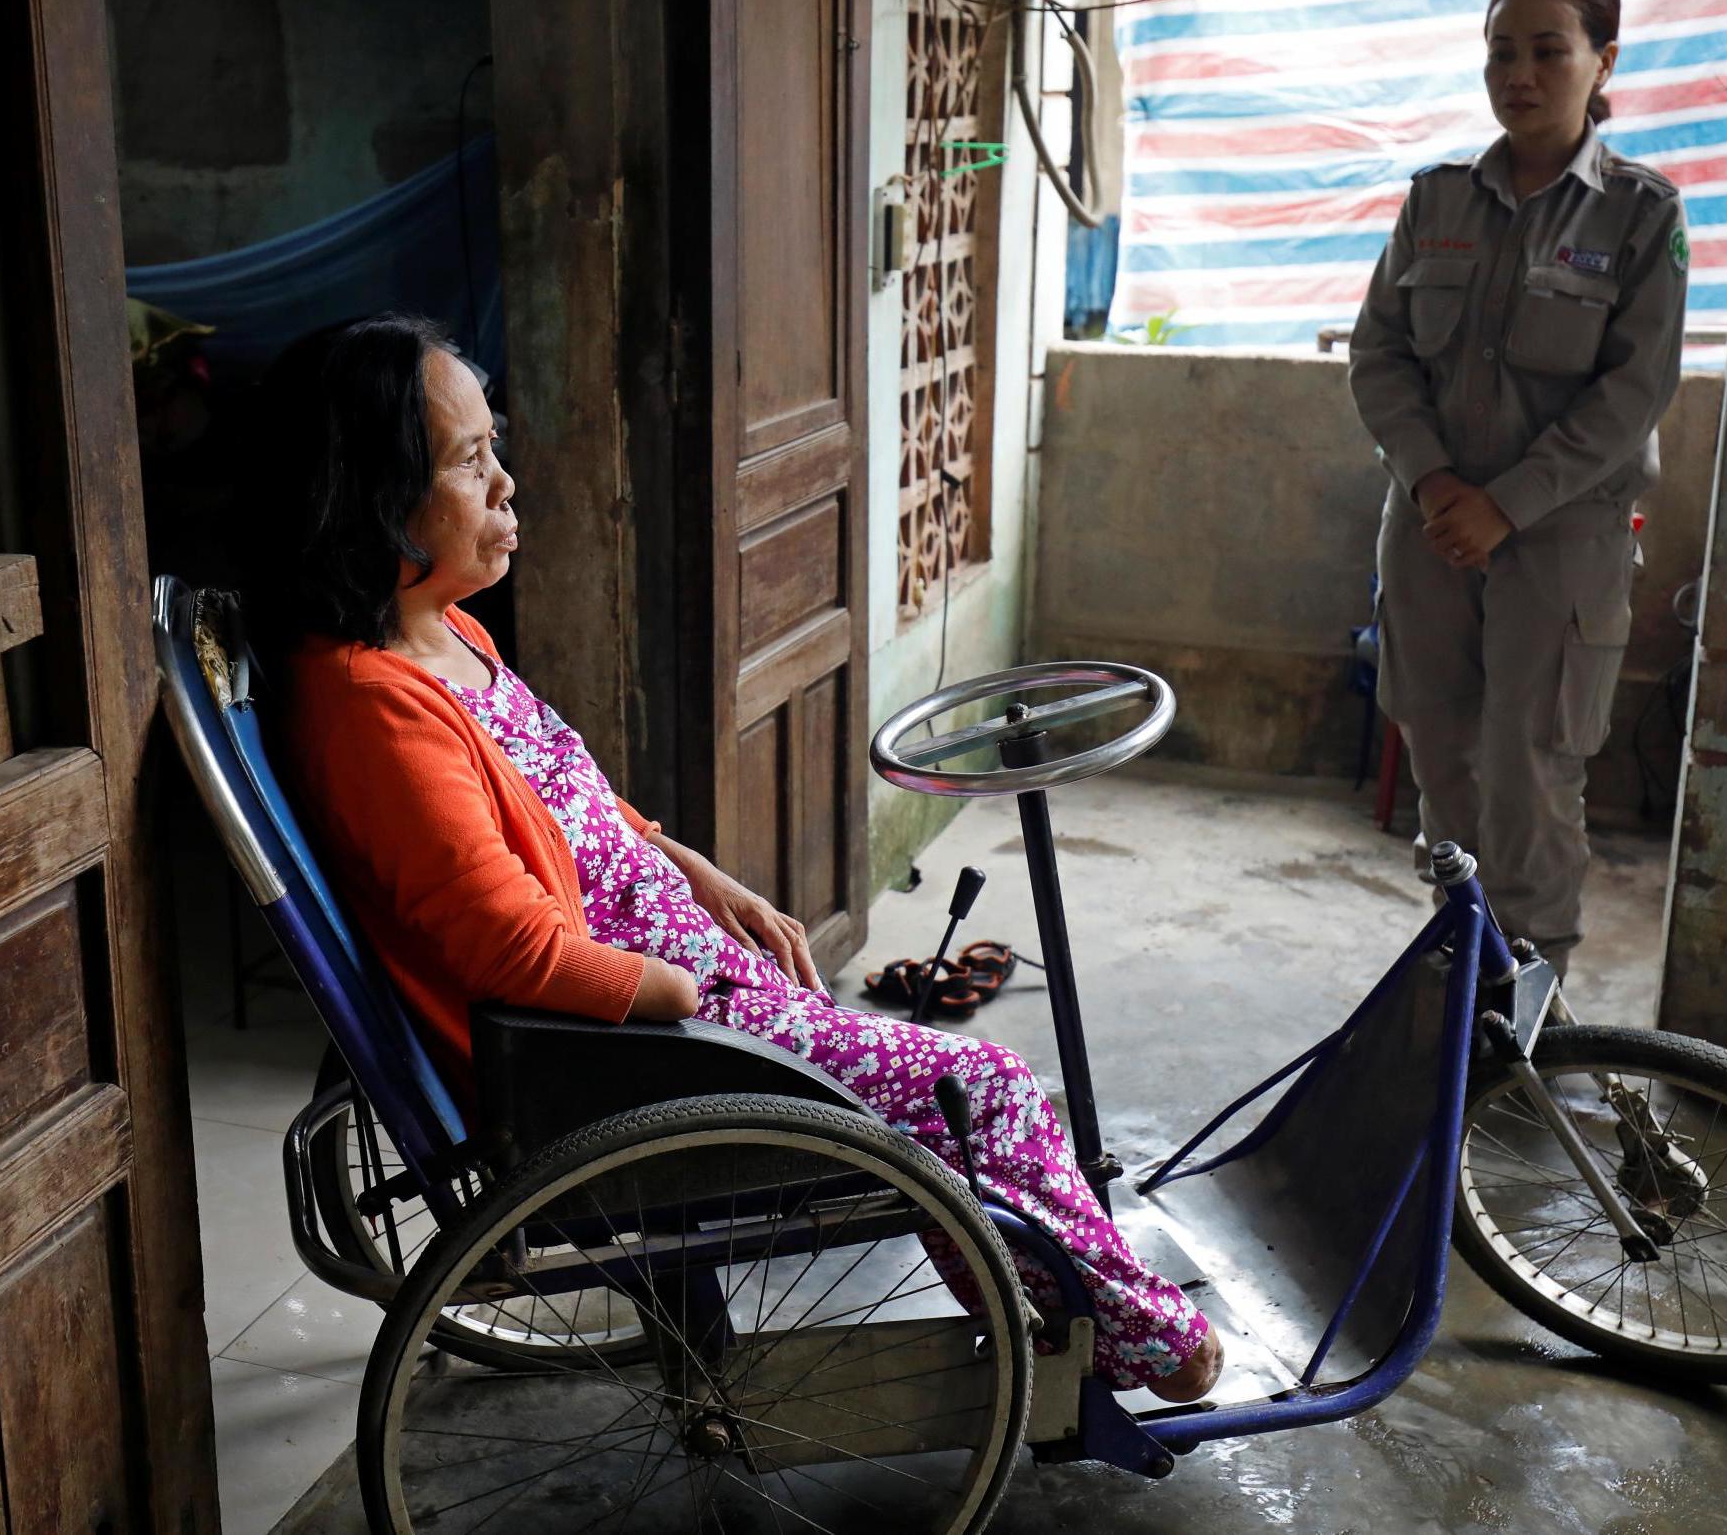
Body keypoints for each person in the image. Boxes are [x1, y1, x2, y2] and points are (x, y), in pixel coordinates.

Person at [244, 313, 1221, 1399]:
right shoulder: (378, 707)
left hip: (683, 1002)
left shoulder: (444, 633)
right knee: (971, 1084)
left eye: (495, 447)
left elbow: (567, 799)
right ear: (372, 491)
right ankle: (1143, 1337)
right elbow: (504, 941)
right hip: (631, 1052)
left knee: (922, 1097)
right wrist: (686, 991)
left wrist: (695, 872)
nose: (507, 484)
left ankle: (1038, 1297)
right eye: (469, 461)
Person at [1350, 0, 1688, 974]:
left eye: (1548, 50)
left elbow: (1632, 392)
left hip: (1560, 540)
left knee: (1530, 770)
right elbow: (1379, 354)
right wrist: (1434, 483)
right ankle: (1457, 974)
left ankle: (1525, 1007)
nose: (1519, 74)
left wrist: (1506, 503)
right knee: (1443, 764)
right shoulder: (1435, 201)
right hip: (1431, 531)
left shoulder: (1639, 214)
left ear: (1602, 61)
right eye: (1501, 51)